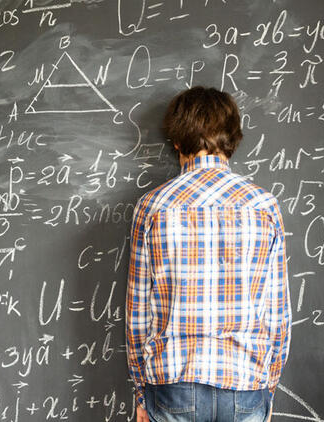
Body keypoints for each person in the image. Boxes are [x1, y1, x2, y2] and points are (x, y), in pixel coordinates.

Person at [125, 86, 291, 422]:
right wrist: (268, 387)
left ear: (176, 141)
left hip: (173, 382)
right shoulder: (264, 206)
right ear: (233, 138)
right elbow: (277, 314)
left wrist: (142, 391)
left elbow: (138, 313)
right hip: (245, 381)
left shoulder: (153, 207)